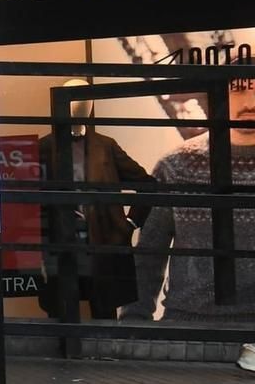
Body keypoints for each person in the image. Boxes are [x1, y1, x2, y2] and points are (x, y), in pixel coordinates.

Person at [124, 77, 255, 357]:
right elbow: (149, 252)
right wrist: (134, 326)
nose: (250, 103)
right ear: (220, 95)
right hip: (186, 329)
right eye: (238, 89)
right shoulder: (178, 165)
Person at [38, 82, 152, 321]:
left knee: (104, 310)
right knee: (61, 311)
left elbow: (148, 184)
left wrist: (129, 223)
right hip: (62, 243)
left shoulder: (105, 146)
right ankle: (65, 354)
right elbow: (34, 200)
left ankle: (104, 354)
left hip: (103, 242)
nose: (79, 106)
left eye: (84, 101)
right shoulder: (46, 147)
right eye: (74, 101)